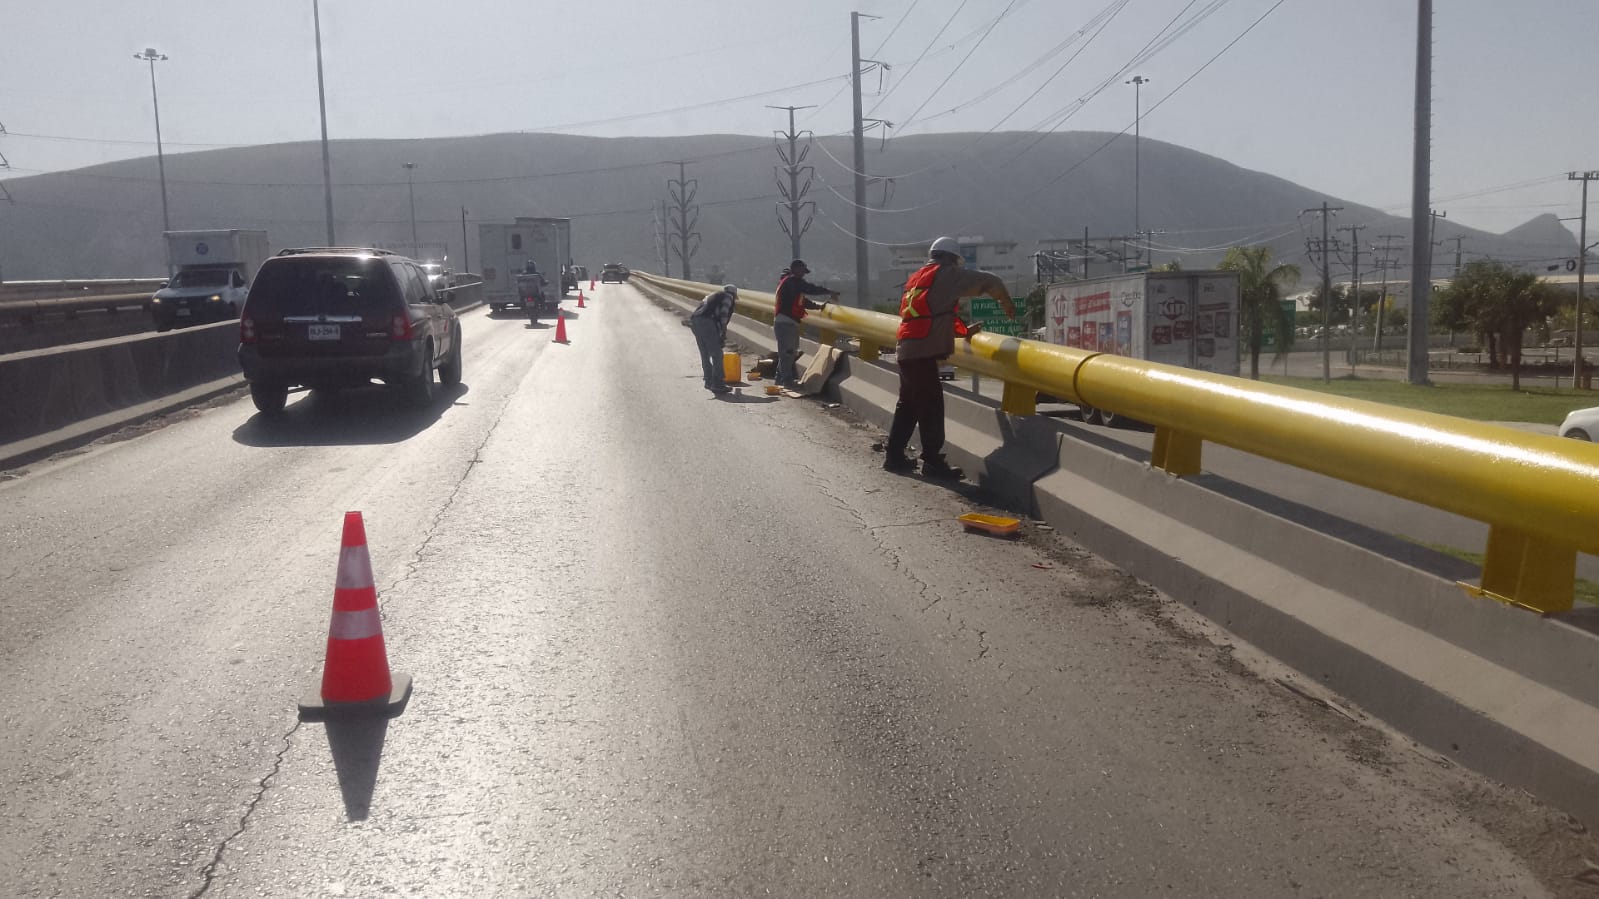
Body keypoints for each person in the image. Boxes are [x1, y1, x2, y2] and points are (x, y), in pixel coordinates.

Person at [885, 236, 1016, 479]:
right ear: (950, 258)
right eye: (956, 262)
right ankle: (932, 461)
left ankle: (894, 456)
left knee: (910, 405)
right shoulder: (947, 274)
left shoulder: (918, 277)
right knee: (931, 404)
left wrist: (964, 331)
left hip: (906, 348)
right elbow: (990, 281)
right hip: (922, 353)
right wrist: (1005, 301)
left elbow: (934, 315)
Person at [772, 259, 839, 387]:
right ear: (796, 269)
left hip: (789, 322)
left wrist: (818, 307)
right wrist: (829, 291)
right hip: (786, 322)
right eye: (802, 271)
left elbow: (803, 301)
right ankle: (786, 380)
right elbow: (809, 288)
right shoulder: (792, 282)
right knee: (787, 353)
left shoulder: (792, 284)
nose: (803, 275)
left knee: (789, 352)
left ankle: (780, 378)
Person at [690, 284, 739, 395]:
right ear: (734, 293)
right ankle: (718, 384)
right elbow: (723, 314)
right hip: (707, 322)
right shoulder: (728, 297)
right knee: (717, 354)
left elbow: (701, 310)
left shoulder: (712, 296)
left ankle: (709, 381)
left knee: (705, 352)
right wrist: (723, 333)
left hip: (695, 321)